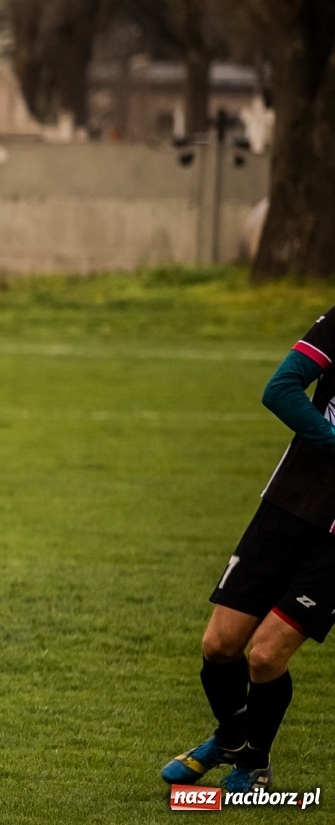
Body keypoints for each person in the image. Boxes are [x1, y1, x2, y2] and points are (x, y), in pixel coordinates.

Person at [161, 310, 335, 794]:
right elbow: (279, 390)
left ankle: (254, 765)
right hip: (287, 505)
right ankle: (233, 734)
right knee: (219, 646)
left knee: (264, 656)